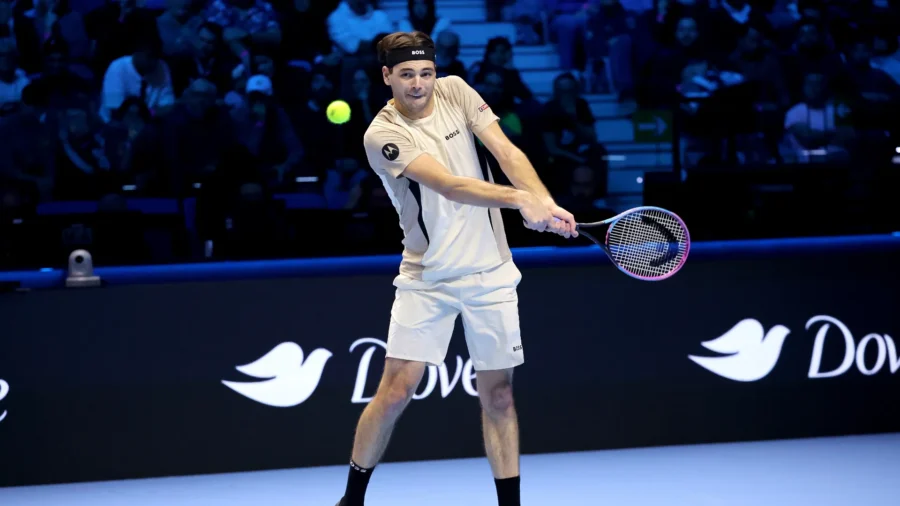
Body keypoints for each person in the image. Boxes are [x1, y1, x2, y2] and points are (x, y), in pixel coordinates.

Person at [336, 31, 578, 506]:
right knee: (396, 390)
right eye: (406, 75)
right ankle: (353, 498)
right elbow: (448, 185)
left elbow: (507, 153)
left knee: (500, 397)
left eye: (425, 73)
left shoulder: (457, 90)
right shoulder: (382, 135)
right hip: (428, 277)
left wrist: (544, 203)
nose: (419, 84)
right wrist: (519, 200)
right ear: (387, 77)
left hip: (491, 272)